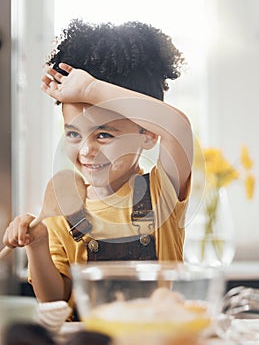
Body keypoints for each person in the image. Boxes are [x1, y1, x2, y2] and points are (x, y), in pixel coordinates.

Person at [3, 19, 193, 313]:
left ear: (148, 134)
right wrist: (36, 244)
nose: (87, 149)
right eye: (73, 134)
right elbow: (54, 300)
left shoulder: (161, 192)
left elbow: (177, 129)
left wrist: (90, 88)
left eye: (105, 134)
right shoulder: (65, 204)